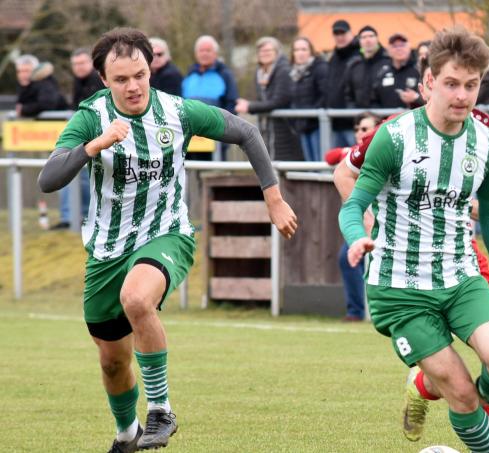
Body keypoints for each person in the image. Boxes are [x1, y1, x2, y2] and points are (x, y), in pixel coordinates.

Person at [37, 27, 297, 453]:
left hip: (167, 233)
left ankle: (161, 410)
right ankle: (127, 435)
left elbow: (247, 133)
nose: (133, 85)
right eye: (121, 79)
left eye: (139, 74)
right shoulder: (89, 118)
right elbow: (48, 179)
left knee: (138, 299)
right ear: (104, 80)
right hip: (106, 250)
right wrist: (94, 146)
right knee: (112, 361)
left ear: (151, 67)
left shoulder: (179, 112)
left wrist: (273, 199)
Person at [338, 27, 489, 453]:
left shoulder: (485, 139)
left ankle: (486, 390)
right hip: (401, 288)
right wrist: (358, 237)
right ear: (430, 82)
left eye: (471, 85)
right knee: (461, 394)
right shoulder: (394, 136)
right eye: (452, 83)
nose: (462, 95)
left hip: (460, 276)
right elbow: (352, 202)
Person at [325, 112, 383, 321]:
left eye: (365, 129)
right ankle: (356, 311)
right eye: (357, 129)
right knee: (347, 258)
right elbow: (329, 157)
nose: (360, 133)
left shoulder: (386, 152)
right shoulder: (355, 155)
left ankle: (381, 311)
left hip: (387, 222)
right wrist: (350, 152)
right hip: (361, 221)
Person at [50, 48, 101, 230]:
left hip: (96, 139)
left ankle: (87, 215)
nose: (78, 67)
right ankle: (73, 216)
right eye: (75, 64)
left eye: (82, 63)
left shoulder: (96, 81)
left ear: (91, 64)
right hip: (82, 137)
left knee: (87, 177)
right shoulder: (77, 82)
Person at [235, 36, 304, 161]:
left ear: (277, 52)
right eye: (261, 51)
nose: (264, 54)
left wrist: (250, 106)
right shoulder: (259, 72)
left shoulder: (284, 70)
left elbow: (280, 100)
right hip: (268, 126)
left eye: (268, 51)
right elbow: (262, 99)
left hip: (286, 126)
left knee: (285, 162)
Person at [182, 35, 239, 161]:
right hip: (192, 137)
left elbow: (232, 104)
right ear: (196, 54)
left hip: (215, 136)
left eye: (208, 50)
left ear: (215, 53)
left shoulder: (225, 75)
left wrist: (223, 131)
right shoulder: (189, 75)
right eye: (201, 51)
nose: (204, 54)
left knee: (214, 176)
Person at [289, 36, 328, 162]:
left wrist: (311, 114)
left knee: (320, 163)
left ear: (310, 51)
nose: (300, 53)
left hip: (317, 124)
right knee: (309, 164)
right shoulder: (293, 73)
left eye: (304, 49)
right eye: (296, 50)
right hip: (302, 125)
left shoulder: (320, 68)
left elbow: (325, 95)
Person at [324, 19, 361, 147]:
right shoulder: (333, 58)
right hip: (335, 122)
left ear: (351, 33)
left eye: (343, 33)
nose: (340, 37)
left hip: (354, 124)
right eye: (336, 34)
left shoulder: (360, 55)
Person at [344, 25, 391, 109]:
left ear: (377, 39)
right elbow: (348, 95)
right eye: (364, 37)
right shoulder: (354, 66)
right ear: (359, 41)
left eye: (371, 36)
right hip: (359, 118)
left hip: (385, 117)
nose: (368, 40)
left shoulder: (389, 62)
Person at [372, 33, 423, 109]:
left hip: (414, 118)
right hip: (386, 119)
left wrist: (416, 98)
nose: (399, 48)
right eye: (394, 46)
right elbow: (373, 100)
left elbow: (431, 98)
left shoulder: (419, 70)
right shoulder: (382, 72)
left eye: (402, 45)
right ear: (388, 50)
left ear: (409, 47)